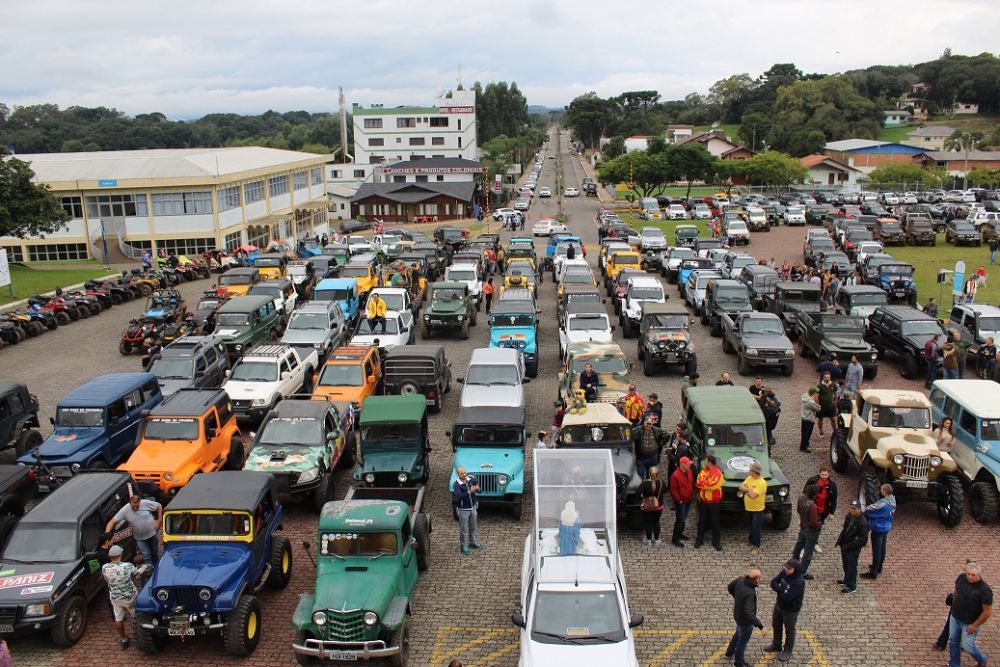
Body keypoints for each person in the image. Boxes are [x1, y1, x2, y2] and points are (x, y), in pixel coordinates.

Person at [948, 561, 993, 667]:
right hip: (955, 617)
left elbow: (987, 612)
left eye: (973, 575)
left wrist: (974, 625)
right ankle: (954, 664)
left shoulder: (985, 590)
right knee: (953, 641)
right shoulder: (961, 578)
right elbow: (956, 590)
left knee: (967, 646)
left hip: (970, 623)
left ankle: (982, 660)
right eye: (968, 574)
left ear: (979, 574)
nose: (970, 577)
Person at [101, 545, 146, 649]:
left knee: (119, 619)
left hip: (115, 598)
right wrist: (143, 567)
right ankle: (140, 636)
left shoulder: (105, 567)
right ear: (121, 554)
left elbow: (106, 579)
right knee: (138, 617)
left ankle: (124, 639)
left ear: (109, 555)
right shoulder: (127, 566)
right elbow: (137, 575)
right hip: (130, 597)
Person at [766, 559, 806, 663]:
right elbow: (773, 582)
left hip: (791, 610)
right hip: (779, 605)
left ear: (795, 569)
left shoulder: (799, 582)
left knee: (789, 630)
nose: (786, 570)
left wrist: (781, 591)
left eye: (789, 569)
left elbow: (787, 597)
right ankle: (776, 644)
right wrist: (782, 590)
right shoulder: (785, 572)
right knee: (776, 624)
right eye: (786, 568)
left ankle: (788, 649)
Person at [106, 495, 162, 565]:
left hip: (152, 534)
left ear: (140, 502)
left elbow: (159, 506)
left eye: (137, 506)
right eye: (133, 506)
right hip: (140, 539)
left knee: (155, 553)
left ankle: (158, 567)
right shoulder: (125, 510)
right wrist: (107, 536)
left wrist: (159, 520)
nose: (135, 508)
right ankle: (150, 571)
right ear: (130, 503)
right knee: (146, 556)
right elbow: (111, 522)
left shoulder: (145, 503)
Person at [726, 568, 765, 667]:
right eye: (759, 578)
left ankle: (729, 652)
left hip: (738, 615)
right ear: (756, 579)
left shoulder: (740, 579)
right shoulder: (750, 594)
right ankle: (738, 662)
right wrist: (761, 626)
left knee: (738, 633)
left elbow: (729, 587)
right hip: (745, 621)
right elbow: (749, 614)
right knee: (742, 642)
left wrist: (737, 598)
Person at [863, 483, 896, 580]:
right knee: (882, 548)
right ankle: (879, 567)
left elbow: (870, 509)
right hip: (886, 527)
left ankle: (874, 572)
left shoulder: (882, 504)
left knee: (876, 551)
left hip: (878, 528)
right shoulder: (893, 500)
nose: (880, 491)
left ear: (885, 492)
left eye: (882, 490)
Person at [835, 500, 869, 593]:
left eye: (854, 509)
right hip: (845, 544)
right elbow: (845, 527)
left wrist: (851, 545)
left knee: (851, 566)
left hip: (853, 548)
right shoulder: (849, 516)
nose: (852, 510)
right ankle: (847, 580)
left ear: (859, 509)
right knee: (846, 564)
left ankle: (851, 585)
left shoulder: (863, 522)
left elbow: (863, 540)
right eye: (851, 508)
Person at [791, 485, 822, 579]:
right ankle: (802, 572)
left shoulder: (801, 498)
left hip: (803, 527)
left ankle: (793, 565)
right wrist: (819, 523)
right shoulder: (812, 506)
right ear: (815, 494)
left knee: (798, 546)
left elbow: (798, 510)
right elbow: (813, 522)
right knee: (808, 553)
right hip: (811, 531)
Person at [805, 466, 837, 553]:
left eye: (825, 475)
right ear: (819, 473)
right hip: (812, 509)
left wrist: (831, 513)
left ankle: (815, 543)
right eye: (822, 474)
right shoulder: (812, 481)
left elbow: (834, 499)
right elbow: (805, 492)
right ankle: (805, 546)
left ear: (829, 474)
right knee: (809, 527)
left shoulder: (832, 485)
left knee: (818, 528)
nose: (823, 476)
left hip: (823, 511)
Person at [695, 455, 723, 551]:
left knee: (715, 523)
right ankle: (699, 540)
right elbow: (698, 482)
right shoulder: (703, 471)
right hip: (703, 501)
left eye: (706, 461)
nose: (705, 463)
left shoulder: (718, 473)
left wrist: (704, 483)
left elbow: (712, 486)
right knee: (701, 522)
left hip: (714, 502)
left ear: (710, 463)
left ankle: (716, 542)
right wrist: (705, 483)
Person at [740, 461, 767, 556]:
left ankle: (756, 545)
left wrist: (746, 489)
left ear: (754, 471)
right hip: (748, 508)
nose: (748, 470)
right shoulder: (749, 478)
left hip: (757, 511)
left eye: (750, 469)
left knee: (756, 529)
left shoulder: (762, 483)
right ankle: (751, 541)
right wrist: (748, 490)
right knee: (750, 527)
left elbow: (752, 495)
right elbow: (740, 487)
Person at [452, 467, 482, 556]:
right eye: (462, 474)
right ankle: (463, 546)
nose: (464, 475)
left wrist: (477, 489)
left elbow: (479, 490)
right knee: (463, 529)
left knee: (473, 527)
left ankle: (472, 542)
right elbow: (458, 497)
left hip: (473, 508)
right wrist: (469, 492)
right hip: (463, 510)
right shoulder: (456, 484)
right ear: (458, 474)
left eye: (465, 472)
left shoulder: (471, 479)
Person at [669, 456, 694, 548]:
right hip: (681, 502)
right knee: (680, 520)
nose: (690, 465)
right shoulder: (675, 475)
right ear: (683, 465)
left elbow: (691, 483)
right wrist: (679, 500)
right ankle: (675, 539)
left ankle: (680, 534)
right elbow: (673, 490)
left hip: (688, 500)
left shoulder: (690, 472)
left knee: (683, 519)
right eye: (688, 464)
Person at [640, 466, 666, 548]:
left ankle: (648, 541)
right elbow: (665, 491)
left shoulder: (644, 483)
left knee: (648, 522)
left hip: (647, 507)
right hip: (658, 507)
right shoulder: (662, 483)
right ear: (658, 474)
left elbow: (638, 493)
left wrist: (643, 497)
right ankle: (657, 540)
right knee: (656, 522)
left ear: (649, 474)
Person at [800, 387, 821, 453]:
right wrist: (817, 400)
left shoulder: (805, 396)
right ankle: (804, 447)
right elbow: (818, 409)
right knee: (807, 434)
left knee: (804, 432)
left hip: (804, 417)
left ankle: (804, 445)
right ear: (813, 393)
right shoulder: (810, 402)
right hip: (809, 418)